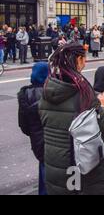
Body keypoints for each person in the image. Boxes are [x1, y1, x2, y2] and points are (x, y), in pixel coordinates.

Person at [39, 43, 104, 195]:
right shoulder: (83, 94)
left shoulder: (47, 91)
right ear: (79, 59)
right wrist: (103, 108)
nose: (85, 63)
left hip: (55, 166)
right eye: (84, 59)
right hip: (81, 168)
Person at [17, 62, 49, 195]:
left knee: (43, 168)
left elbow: (23, 125)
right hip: (53, 140)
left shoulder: (26, 94)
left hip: (37, 142)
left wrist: (33, 133)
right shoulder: (50, 92)